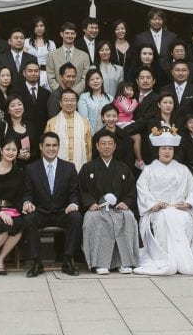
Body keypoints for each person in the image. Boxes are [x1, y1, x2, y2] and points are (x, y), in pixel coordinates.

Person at [134, 132, 193, 275]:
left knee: (185, 218)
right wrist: (152, 205)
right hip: (158, 210)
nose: (167, 151)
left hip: (179, 207)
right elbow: (142, 189)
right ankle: (163, 258)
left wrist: (188, 203)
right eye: (163, 148)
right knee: (163, 219)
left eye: (170, 148)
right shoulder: (149, 169)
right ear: (158, 151)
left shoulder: (182, 169)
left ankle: (184, 259)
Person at [22, 132, 82, 277]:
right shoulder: (31, 169)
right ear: (41, 147)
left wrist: (73, 203)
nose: (51, 148)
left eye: (54, 145)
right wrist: (27, 202)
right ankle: (37, 263)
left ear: (59, 147)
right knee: (29, 219)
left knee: (76, 217)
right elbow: (27, 192)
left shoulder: (69, 167)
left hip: (62, 212)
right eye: (47, 145)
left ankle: (68, 261)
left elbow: (74, 192)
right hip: (40, 212)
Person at [78, 132, 139, 274]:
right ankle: (99, 263)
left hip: (118, 209)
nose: (107, 147)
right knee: (92, 220)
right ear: (97, 147)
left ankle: (125, 262)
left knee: (129, 217)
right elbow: (82, 190)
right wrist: (90, 203)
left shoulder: (123, 168)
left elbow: (131, 190)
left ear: (115, 146)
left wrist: (126, 202)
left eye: (110, 143)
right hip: (97, 209)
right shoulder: (88, 168)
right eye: (103, 144)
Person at [0, 138, 28, 274]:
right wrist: (0, 212)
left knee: (20, 224)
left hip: (12, 210)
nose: (11, 152)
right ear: (1, 151)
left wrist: (24, 208)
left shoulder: (19, 172)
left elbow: (18, 199)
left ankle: (0, 258)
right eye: (7, 149)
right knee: (4, 226)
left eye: (14, 150)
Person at [45, 89, 92, 170]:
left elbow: (89, 149)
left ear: (77, 103)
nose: (69, 103)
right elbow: (46, 147)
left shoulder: (84, 123)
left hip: (80, 166)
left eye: (73, 100)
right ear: (60, 103)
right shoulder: (52, 122)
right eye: (66, 100)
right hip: (56, 168)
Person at [45, 23, 90, 93]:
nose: (69, 36)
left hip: (78, 95)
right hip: (58, 95)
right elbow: (50, 77)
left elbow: (85, 78)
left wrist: (74, 92)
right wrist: (61, 92)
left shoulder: (84, 56)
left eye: (72, 33)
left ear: (75, 35)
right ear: (61, 34)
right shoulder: (51, 55)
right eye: (67, 33)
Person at [0, 95, 33, 163]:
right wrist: (16, 153)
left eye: (19, 104)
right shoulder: (3, 126)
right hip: (8, 167)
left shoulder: (30, 125)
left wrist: (29, 155)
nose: (17, 108)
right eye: (13, 106)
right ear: (8, 111)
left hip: (27, 167)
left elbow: (35, 148)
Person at [92, 103, 134, 168]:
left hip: (121, 171)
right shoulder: (98, 135)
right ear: (103, 118)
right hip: (102, 170)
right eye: (108, 116)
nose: (111, 119)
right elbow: (95, 157)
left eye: (114, 116)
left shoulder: (124, 134)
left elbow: (129, 157)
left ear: (117, 117)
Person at [24, 15, 56, 90]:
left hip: (47, 74)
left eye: (41, 26)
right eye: (36, 26)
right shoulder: (26, 42)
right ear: (33, 28)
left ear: (45, 27)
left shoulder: (51, 44)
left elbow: (53, 62)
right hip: (31, 74)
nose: (39, 28)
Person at [77, 68, 111, 133]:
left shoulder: (110, 98)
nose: (95, 81)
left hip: (107, 135)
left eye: (98, 78)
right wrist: (94, 135)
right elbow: (84, 120)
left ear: (102, 80)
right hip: (89, 134)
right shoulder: (84, 97)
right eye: (92, 80)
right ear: (88, 83)